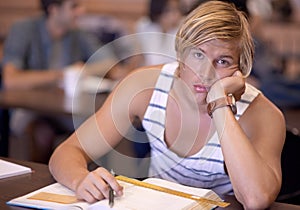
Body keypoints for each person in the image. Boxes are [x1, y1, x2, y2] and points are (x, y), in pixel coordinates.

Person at [49, 1, 286, 209]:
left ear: (240, 69)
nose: (205, 73)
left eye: (222, 61)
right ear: (181, 55)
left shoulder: (262, 114)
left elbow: (256, 200)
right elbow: (67, 152)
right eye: (198, 55)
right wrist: (81, 179)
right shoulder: (144, 87)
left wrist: (220, 103)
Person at [2, 0, 126, 163]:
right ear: (54, 10)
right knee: (39, 132)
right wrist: (62, 74)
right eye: (74, 6)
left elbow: (109, 62)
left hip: (66, 109)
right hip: (29, 107)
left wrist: (81, 70)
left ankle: (92, 181)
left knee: (99, 129)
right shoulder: (24, 29)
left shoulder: (77, 33)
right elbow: (11, 80)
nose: (81, 11)